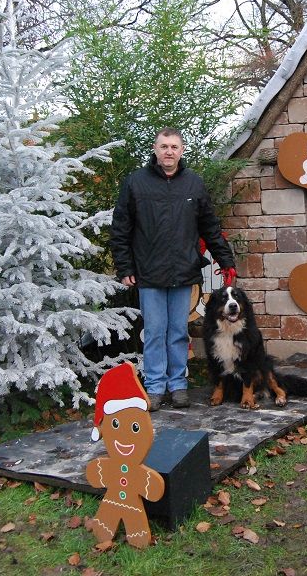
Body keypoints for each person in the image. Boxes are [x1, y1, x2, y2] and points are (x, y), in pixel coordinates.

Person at [109, 128, 236, 410]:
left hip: (183, 270)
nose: (169, 151)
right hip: (149, 272)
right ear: (155, 149)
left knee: (178, 331)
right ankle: (154, 388)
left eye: (174, 146)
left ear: (182, 150)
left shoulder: (193, 184)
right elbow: (121, 228)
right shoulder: (136, 183)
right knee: (154, 331)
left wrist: (225, 261)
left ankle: (178, 386)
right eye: (164, 146)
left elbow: (209, 227)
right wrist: (125, 266)